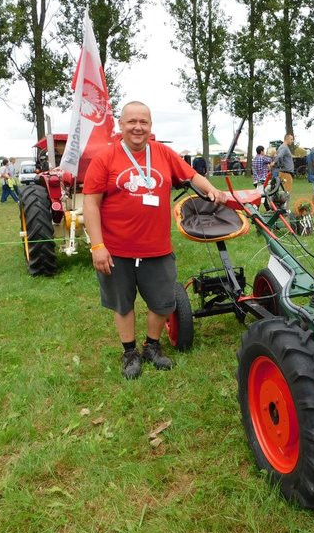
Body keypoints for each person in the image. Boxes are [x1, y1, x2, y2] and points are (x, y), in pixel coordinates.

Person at [83, 101, 225, 380]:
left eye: (143, 122)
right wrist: (97, 246)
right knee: (122, 304)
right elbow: (91, 204)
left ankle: (152, 347)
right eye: (132, 122)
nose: (138, 127)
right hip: (116, 250)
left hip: (157, 248)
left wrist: (212, 189)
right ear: (121, 125)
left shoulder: (162, 153)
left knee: (163, 303)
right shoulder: (105, 158)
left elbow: (192, 175)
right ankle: (129, 352)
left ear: (150, 126)